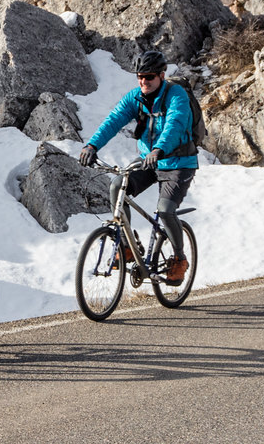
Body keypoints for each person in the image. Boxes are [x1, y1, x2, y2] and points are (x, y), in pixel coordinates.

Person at [75, 49, 197, 284]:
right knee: (117, 185)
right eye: (140, 76)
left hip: (178, 162)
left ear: (161, 75)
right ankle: (128, 246)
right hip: (149, 160)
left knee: (164, 210)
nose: (143, 81)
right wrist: (92, 146)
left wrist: (158, 149)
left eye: (149, 76)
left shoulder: (176, 95)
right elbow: (113, 120)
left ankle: (180, 258)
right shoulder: (135, 97)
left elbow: (175, 124)